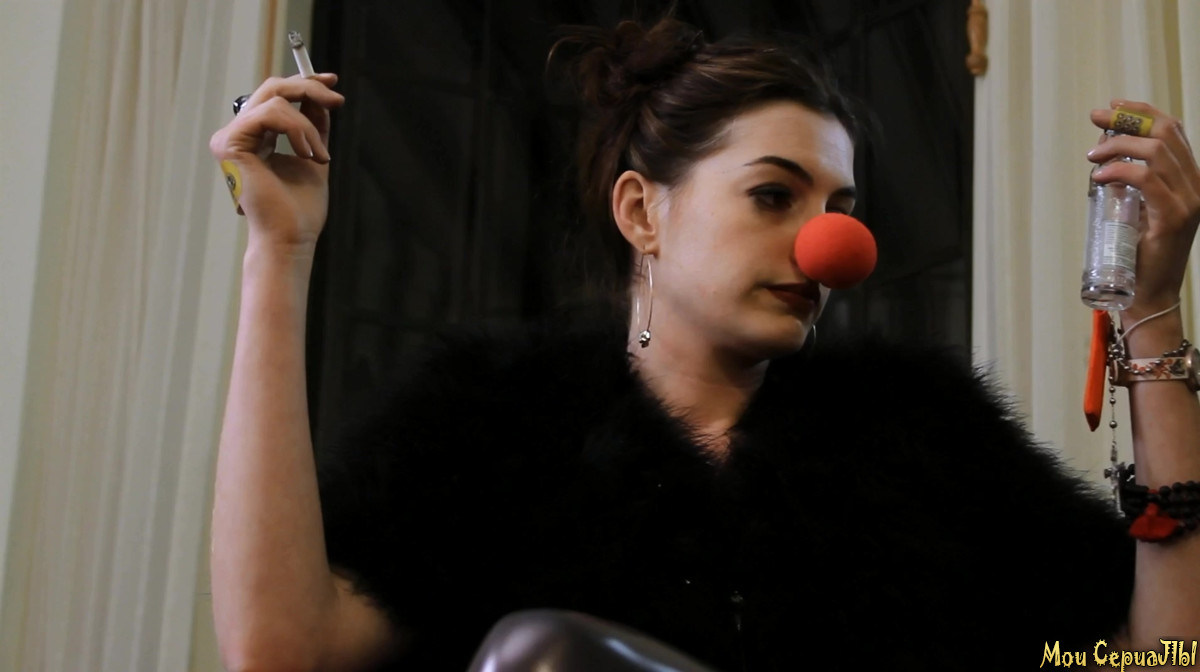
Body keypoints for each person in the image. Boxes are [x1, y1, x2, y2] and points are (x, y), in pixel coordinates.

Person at [206, 12, 1200, 672]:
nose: (827, 245)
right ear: (642, 211)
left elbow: (1160, 661)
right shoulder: (493, 433)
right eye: (772, 195)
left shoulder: (926, 444)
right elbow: (282, 648)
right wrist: (278, 251)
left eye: (841, 208)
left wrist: (1152, 310)